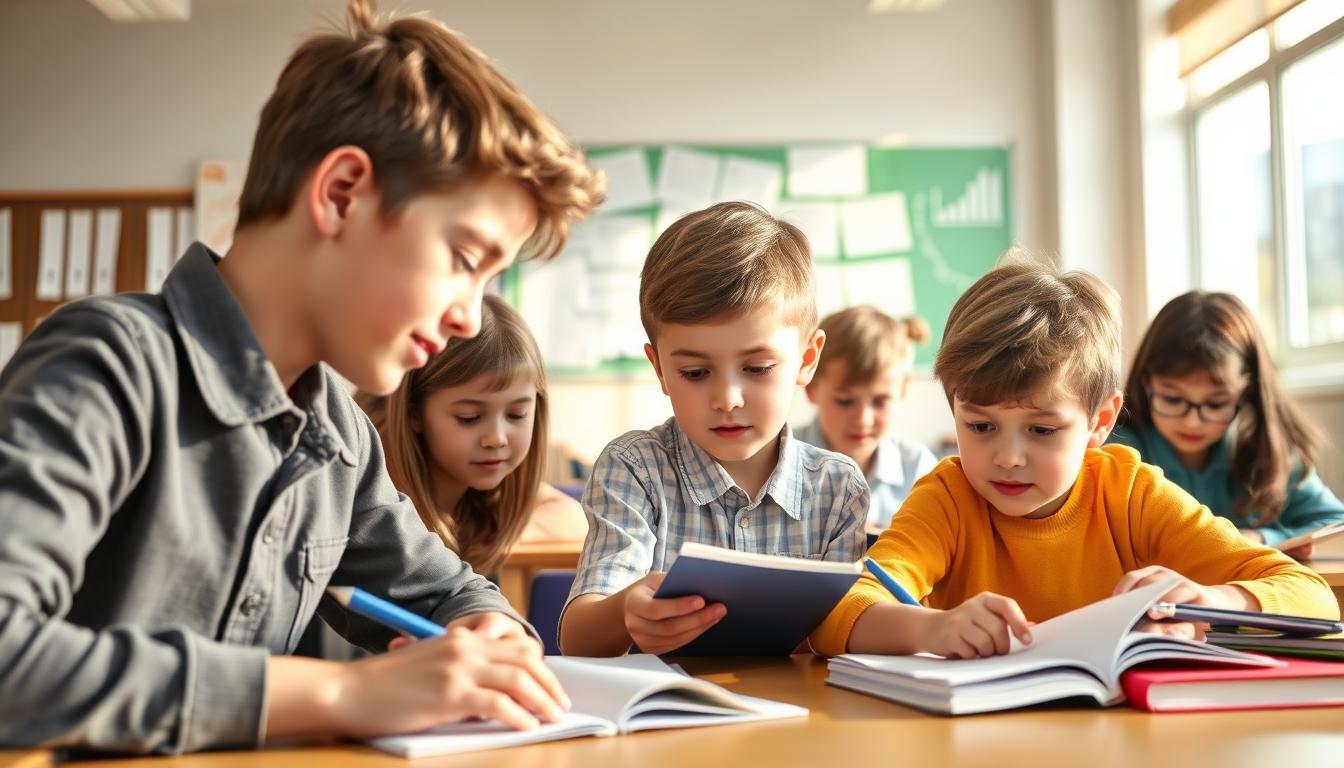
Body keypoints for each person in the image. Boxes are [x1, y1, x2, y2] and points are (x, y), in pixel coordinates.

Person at [0, 0, 603, 753]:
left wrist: (491, 635)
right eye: (462, 259)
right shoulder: (111, 365)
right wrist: (344, 694)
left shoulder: (338, 433)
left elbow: (449, 591)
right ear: (342, 193)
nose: (469, 319)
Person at [810, 257, 1338, 660]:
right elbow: (836, 613)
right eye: (980, 426)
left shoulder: (1130, 492)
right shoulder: (947, 498)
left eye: (1041, 430)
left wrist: (1213, 601)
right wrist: (933, 628)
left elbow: (1312, 595)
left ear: (1101, 420)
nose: (1007, 458)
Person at [558, 202, 869, 657]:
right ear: (660, 369)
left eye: (757, 368)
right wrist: (625, 610)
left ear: (807, 360)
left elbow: (843, 638)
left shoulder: (839, 489)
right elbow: (578, 640)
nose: (727, 399)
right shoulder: (635, 469)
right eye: (696, 373)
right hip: (664, 703)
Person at [359, 294, 586, 577]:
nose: (497, 438)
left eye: (517, 414)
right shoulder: (376, 499)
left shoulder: (485, 494)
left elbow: (577, 519)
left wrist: (493, 537)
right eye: (469, 417)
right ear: (414, 414)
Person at [1111, 291, 1344, 559]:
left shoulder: (1270, 453)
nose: (1192, 421)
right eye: (1173, 399)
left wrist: (1262, 539)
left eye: (1215, 404)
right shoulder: (1118, 451)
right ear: (1146, 382)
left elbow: (1335, 522)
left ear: (1247, 393)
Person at [796, 305, 937, 530]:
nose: (863, 419)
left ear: (902, 388)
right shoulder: (777, 457)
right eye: (845, 401)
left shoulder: (920, 469)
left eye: (880, 401)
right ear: (811, 387)